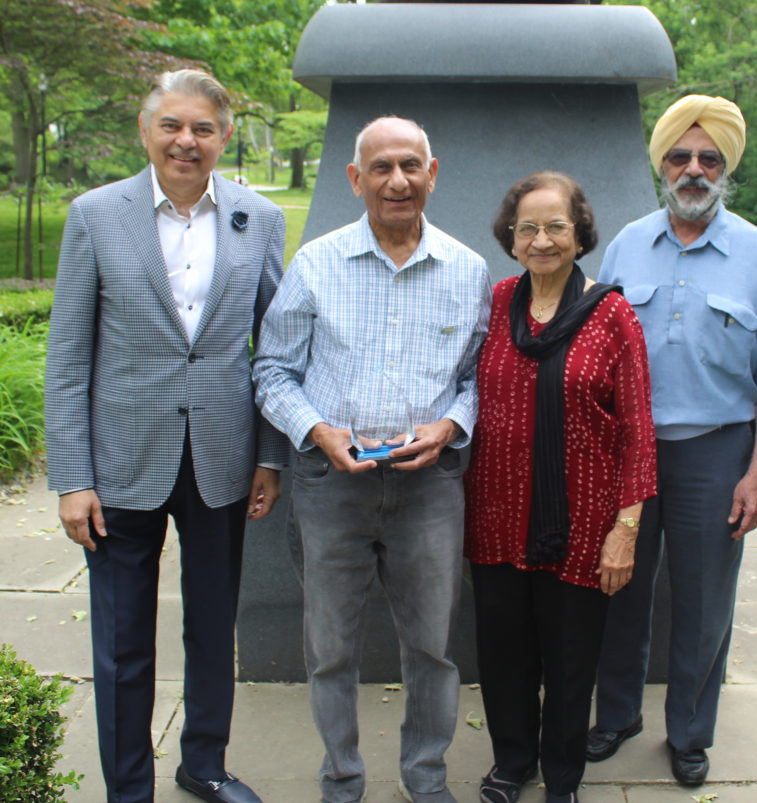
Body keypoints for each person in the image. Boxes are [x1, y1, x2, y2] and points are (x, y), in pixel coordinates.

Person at [44, 69, 287, 803]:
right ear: (146, 131)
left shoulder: (259, 218)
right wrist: (71, 478)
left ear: (224, 137)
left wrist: (272, 454)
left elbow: (273, 345)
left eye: (203, 128)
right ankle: (128, 786)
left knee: (214, 626)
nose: (187, 141)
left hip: (222, 457)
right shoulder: (95, 215)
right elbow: (66, 358)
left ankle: (204, 762)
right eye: (173, 126)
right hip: (118, 461)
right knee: (122, 641)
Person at [251, 116, 491, 803]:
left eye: (411, 166)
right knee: (331, 648)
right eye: (381, 167)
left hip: (429, 488)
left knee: (433, 648)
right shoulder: (317, 263)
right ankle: (342, 779)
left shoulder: (467, 268)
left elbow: (478, 377)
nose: (398, 180)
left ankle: (425, 775)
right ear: (356, 179)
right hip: (332, 484)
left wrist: (451, 423)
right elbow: (271, 369)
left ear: (432, 173)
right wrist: (316, 430)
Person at [587, 95, 757, 787]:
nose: (694, 169)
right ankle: (615, 714)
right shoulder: (626, 244)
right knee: (621, 585)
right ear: (662, 166)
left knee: (706, 598)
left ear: (725, 168)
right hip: (631, 450)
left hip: (718, 448)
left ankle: (691, 731)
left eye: (709, 158)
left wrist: (754, 473)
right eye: (680, 156)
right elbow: (597, 357)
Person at [464, 171, 657, 803]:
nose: (541, 240)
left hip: (582, 525)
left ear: (579, 235)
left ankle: (563, 778)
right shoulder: (494, 303)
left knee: (571, 664)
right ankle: (511, 763)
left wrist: (624, 532)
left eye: (555, 226)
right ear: (510, 238)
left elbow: (637, 430)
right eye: (528, 228)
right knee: (503, 655)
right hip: (495, 516)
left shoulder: (612, 312)